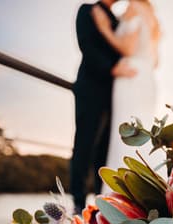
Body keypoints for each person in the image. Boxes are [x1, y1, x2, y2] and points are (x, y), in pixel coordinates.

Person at [69, 1, 139, 212]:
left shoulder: (117, 21)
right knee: (84, 145)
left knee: (106, 149)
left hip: (115, 94)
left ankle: (102, 202)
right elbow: (86, 46)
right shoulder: (87, 10)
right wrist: (111, 69)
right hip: (90, 89)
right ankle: (78, 203)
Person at [98, 0, 162, 172]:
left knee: (126, 132)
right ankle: (150, 183)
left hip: (130, 75)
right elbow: (156, 62)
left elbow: (128, 48)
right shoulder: (152, 15)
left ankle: (122, 187)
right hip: (146, 76)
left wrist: (105, 29)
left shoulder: (134, 7)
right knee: (144, 130)